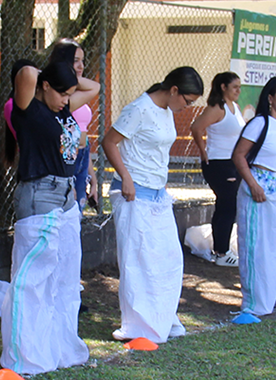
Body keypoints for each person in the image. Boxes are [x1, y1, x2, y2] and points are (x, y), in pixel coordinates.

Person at [0, 60, 98, 374]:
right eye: (62, 92)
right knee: (32, 280)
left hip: (67, 195)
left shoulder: (62, 108)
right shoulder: (27, 111)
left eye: (70, 94)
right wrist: (51, 74)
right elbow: (26, 72)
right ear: (44, 86)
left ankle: (57, 347)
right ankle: (25, 356)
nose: (67, 99)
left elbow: (94, 87)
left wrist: (67, 81)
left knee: (64, 275)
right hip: (39, 193)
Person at [101, 67, 203, 343]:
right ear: (173, 90)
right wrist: (126, 178)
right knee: (137, 259)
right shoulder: (139, 109)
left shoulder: (167, 110)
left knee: (168, 257)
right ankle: (136, 325)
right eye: (187, 100)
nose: (187, 107)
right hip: (134, 195)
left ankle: (164, 316)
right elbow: (109, 142)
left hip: (158, 194)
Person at [232, 76, 276, 319]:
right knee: (258, 248)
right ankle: (256, 302)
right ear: (270, 98)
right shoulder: (259, 124)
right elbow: (239, 156)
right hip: (257, 195)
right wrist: (253, 185)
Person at [190, 72, 244, 267]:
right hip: (219, 163)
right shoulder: (217, 108)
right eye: (234, 87)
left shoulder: (234, 107)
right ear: (223, 87)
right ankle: (221, 252)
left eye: (239, 86)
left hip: (232, 162)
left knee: (226, 206)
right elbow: (196, 127)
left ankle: (221, 249)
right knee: (227, 206)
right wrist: (203, 151)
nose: (238, 90)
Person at [50, 38, 99, 211]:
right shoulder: (58, 96)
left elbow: (82, 135)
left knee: (77, 214)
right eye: (75, 61)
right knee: (67, 213)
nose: (81, 66)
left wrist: (91, 175)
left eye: (82, 61)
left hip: (82, 155)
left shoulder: (79, 91)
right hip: (65, 157)